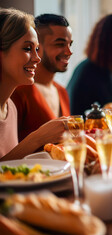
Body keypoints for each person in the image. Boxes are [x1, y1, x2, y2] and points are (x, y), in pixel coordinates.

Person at [0, 8, 66, 160]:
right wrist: (37, 138)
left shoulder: (10, 107)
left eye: (37, 49)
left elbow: (12, 170)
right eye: (28, 48)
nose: (37, 58)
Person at [11, 14, 72, 142]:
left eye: (69, 44)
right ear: (37, 46)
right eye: (60, 44)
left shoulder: (62, 91)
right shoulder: (18, 92)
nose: (68, 52)